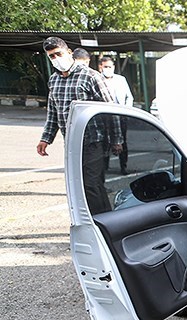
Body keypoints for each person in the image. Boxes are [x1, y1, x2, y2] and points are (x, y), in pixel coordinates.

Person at [37, 36, 122, 214]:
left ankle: (102, 223)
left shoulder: (91, 77)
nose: (56, 59)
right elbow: (53, 112)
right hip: (70, 143)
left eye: (58, 54)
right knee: (80, 186)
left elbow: (110, 110)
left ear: (69, 52)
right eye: (51, 56)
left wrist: (116, 139)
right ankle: (98, 222)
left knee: (91, 184)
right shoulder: (54, 80)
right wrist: (46, 139)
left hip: (93, 142)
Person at [99, 55, 134, 174]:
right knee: (106, 142)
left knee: (122, 141)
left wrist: (127, 111)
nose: (108, 69)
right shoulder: (98, 80)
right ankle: (105, 167)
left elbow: (129, 97)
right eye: (105, 67)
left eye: (110, 66)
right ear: (101, 67)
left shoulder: (120, 80)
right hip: (105, 116)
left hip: (121, 115)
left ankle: (123, 166)